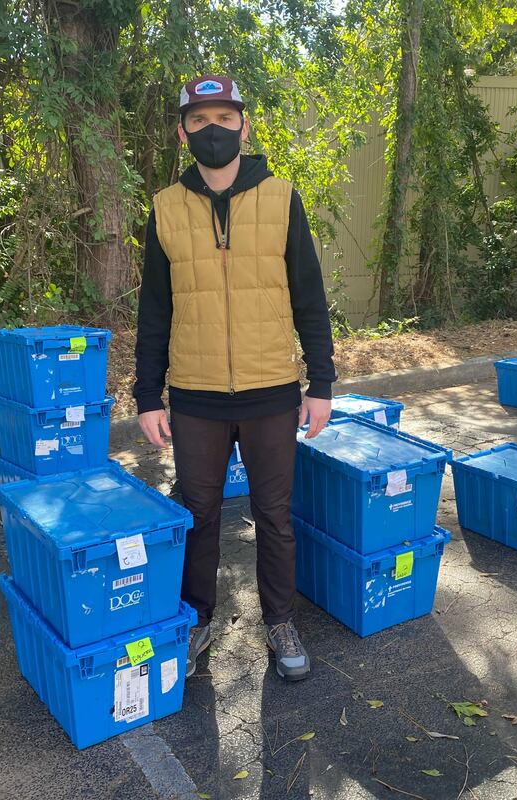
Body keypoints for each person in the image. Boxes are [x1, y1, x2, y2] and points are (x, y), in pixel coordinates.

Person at [133, 74, 336, 682]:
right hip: (194, 397)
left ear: (245, 127)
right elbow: (154, 312)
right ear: (182, 132)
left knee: (275, 514)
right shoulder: (167, 209)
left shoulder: (281, 197)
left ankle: (280, 619)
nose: (212, 130)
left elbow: (310, 296)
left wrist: (320, 384)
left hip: (272, 388)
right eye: (199, 120)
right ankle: (195, 621)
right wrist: (148, 396)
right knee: (198, 512)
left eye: (224, 119)